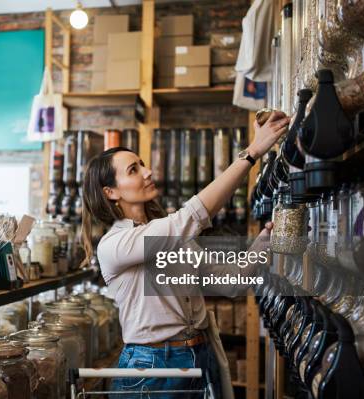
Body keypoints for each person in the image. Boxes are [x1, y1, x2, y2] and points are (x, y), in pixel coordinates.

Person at [80, 111, 290, 398]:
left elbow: (232, 282)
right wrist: (252, 152)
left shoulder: (176, 240)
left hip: (200, 358)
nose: (148, 172)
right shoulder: (115, 245)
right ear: (111, 192)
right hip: (152, 369)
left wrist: (265, 240)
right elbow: (192, 217)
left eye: (142, 164)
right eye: (133, 170)